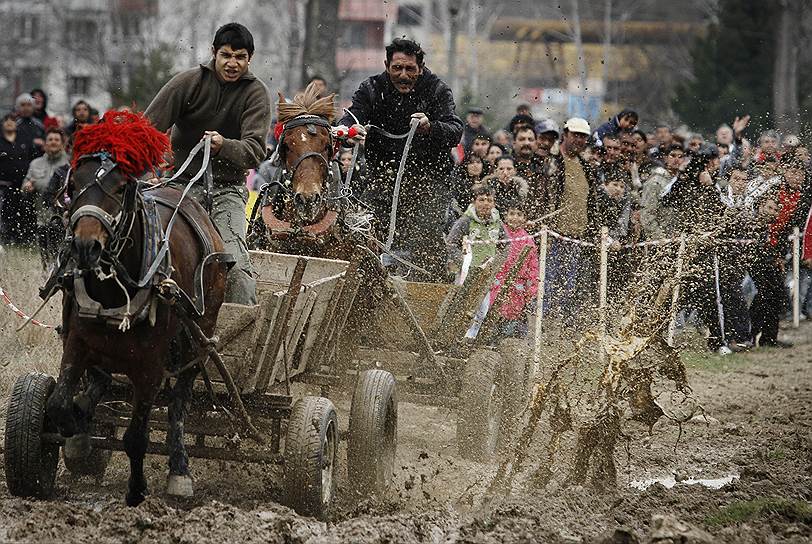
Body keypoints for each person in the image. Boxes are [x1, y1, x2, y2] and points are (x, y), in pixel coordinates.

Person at [145, 22, 271, 305]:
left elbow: (254, 152)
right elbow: (147, 129)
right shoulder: (187, 83)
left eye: (240, 57)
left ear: (249, 58)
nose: (232, 63)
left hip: (228, 190)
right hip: (179, 186)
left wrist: (223, 145)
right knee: (155, 256)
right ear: (214, 53)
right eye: (226, 55)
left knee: (235, 266)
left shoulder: (256, 94)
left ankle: (239, 340)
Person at [340, 37, 464, 280]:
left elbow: (455, 130)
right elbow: (350, 117)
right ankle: (363, 283)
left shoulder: (436, 89)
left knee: (425, 236)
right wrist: (348, 131)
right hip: (383, 178)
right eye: (397, 68)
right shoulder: (371, 88)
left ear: (420, 67)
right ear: (387, 66)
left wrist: (431, 127)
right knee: (361, 227)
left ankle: (431, 290)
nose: (404, 75)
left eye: (410, 69)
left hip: (429, 181)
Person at [544, 117, 599, 323]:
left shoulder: (586, 166)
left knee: (568, 287)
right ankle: (538, 329)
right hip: (552, 235)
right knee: (547, 284)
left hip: (577, 236)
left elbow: (592, 205)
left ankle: (558, 331)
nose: (579, 140)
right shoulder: (551, 160)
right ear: (565, 134)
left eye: (583, 136)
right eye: (575, 135)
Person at [488, 200, 539, 338]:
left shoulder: (529, 240)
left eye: (519, 214)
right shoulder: (498, 233)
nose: (515, 218)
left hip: (517, 289)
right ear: (505, 216)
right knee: (492, 316)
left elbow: (533, 267)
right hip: (496, 283)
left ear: (525, 218)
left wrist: (532, 288)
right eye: (511, 214)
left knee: (511, 319)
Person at [21, 127, 69, 266]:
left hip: (63, 218)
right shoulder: (35, 164)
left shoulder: (70, 164)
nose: (53, 142)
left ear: (62, 143)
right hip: (42, 217)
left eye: (56, 139)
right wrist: (26, 187)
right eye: (50, 139)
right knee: (45, 255)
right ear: (45, 143)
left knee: (62, 254)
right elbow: (24, 186)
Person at [445, 182, 502, 275]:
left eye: (489, 201)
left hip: (489, 271)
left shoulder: (497, 222)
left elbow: (507, 244)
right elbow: (450, 242)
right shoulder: (466, 220)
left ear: (494, 204)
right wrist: (464, 261)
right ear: (474, 202)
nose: (485, 204)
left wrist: (496, 262)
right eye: (481, 200)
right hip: (467, 271)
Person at [0, 114, 36, 245]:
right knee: (4, 213)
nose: (9, 122)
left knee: (21, 212)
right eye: (6, 120)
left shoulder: (24, 140)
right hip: (3, 186)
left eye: (12, 120)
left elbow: (33, 158)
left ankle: (21, 240)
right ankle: (5, 240)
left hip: (22, 184)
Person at [640, 143, 683, 239]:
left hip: (677, 237)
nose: (677, 159)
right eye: (672, 155)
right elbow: (646, 213)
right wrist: (660, 236)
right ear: (665, 158)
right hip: (659, 239)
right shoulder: (655, 181)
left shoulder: (682, 181)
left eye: (680, 157)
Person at [15, 93, 45, 158]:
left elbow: (44, 142)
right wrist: (32, 142)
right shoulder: (14, 125)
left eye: (29, 105)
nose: (26, 108)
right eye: (23, 105)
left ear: (33, 107)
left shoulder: (39, 125)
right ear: (18, 107)